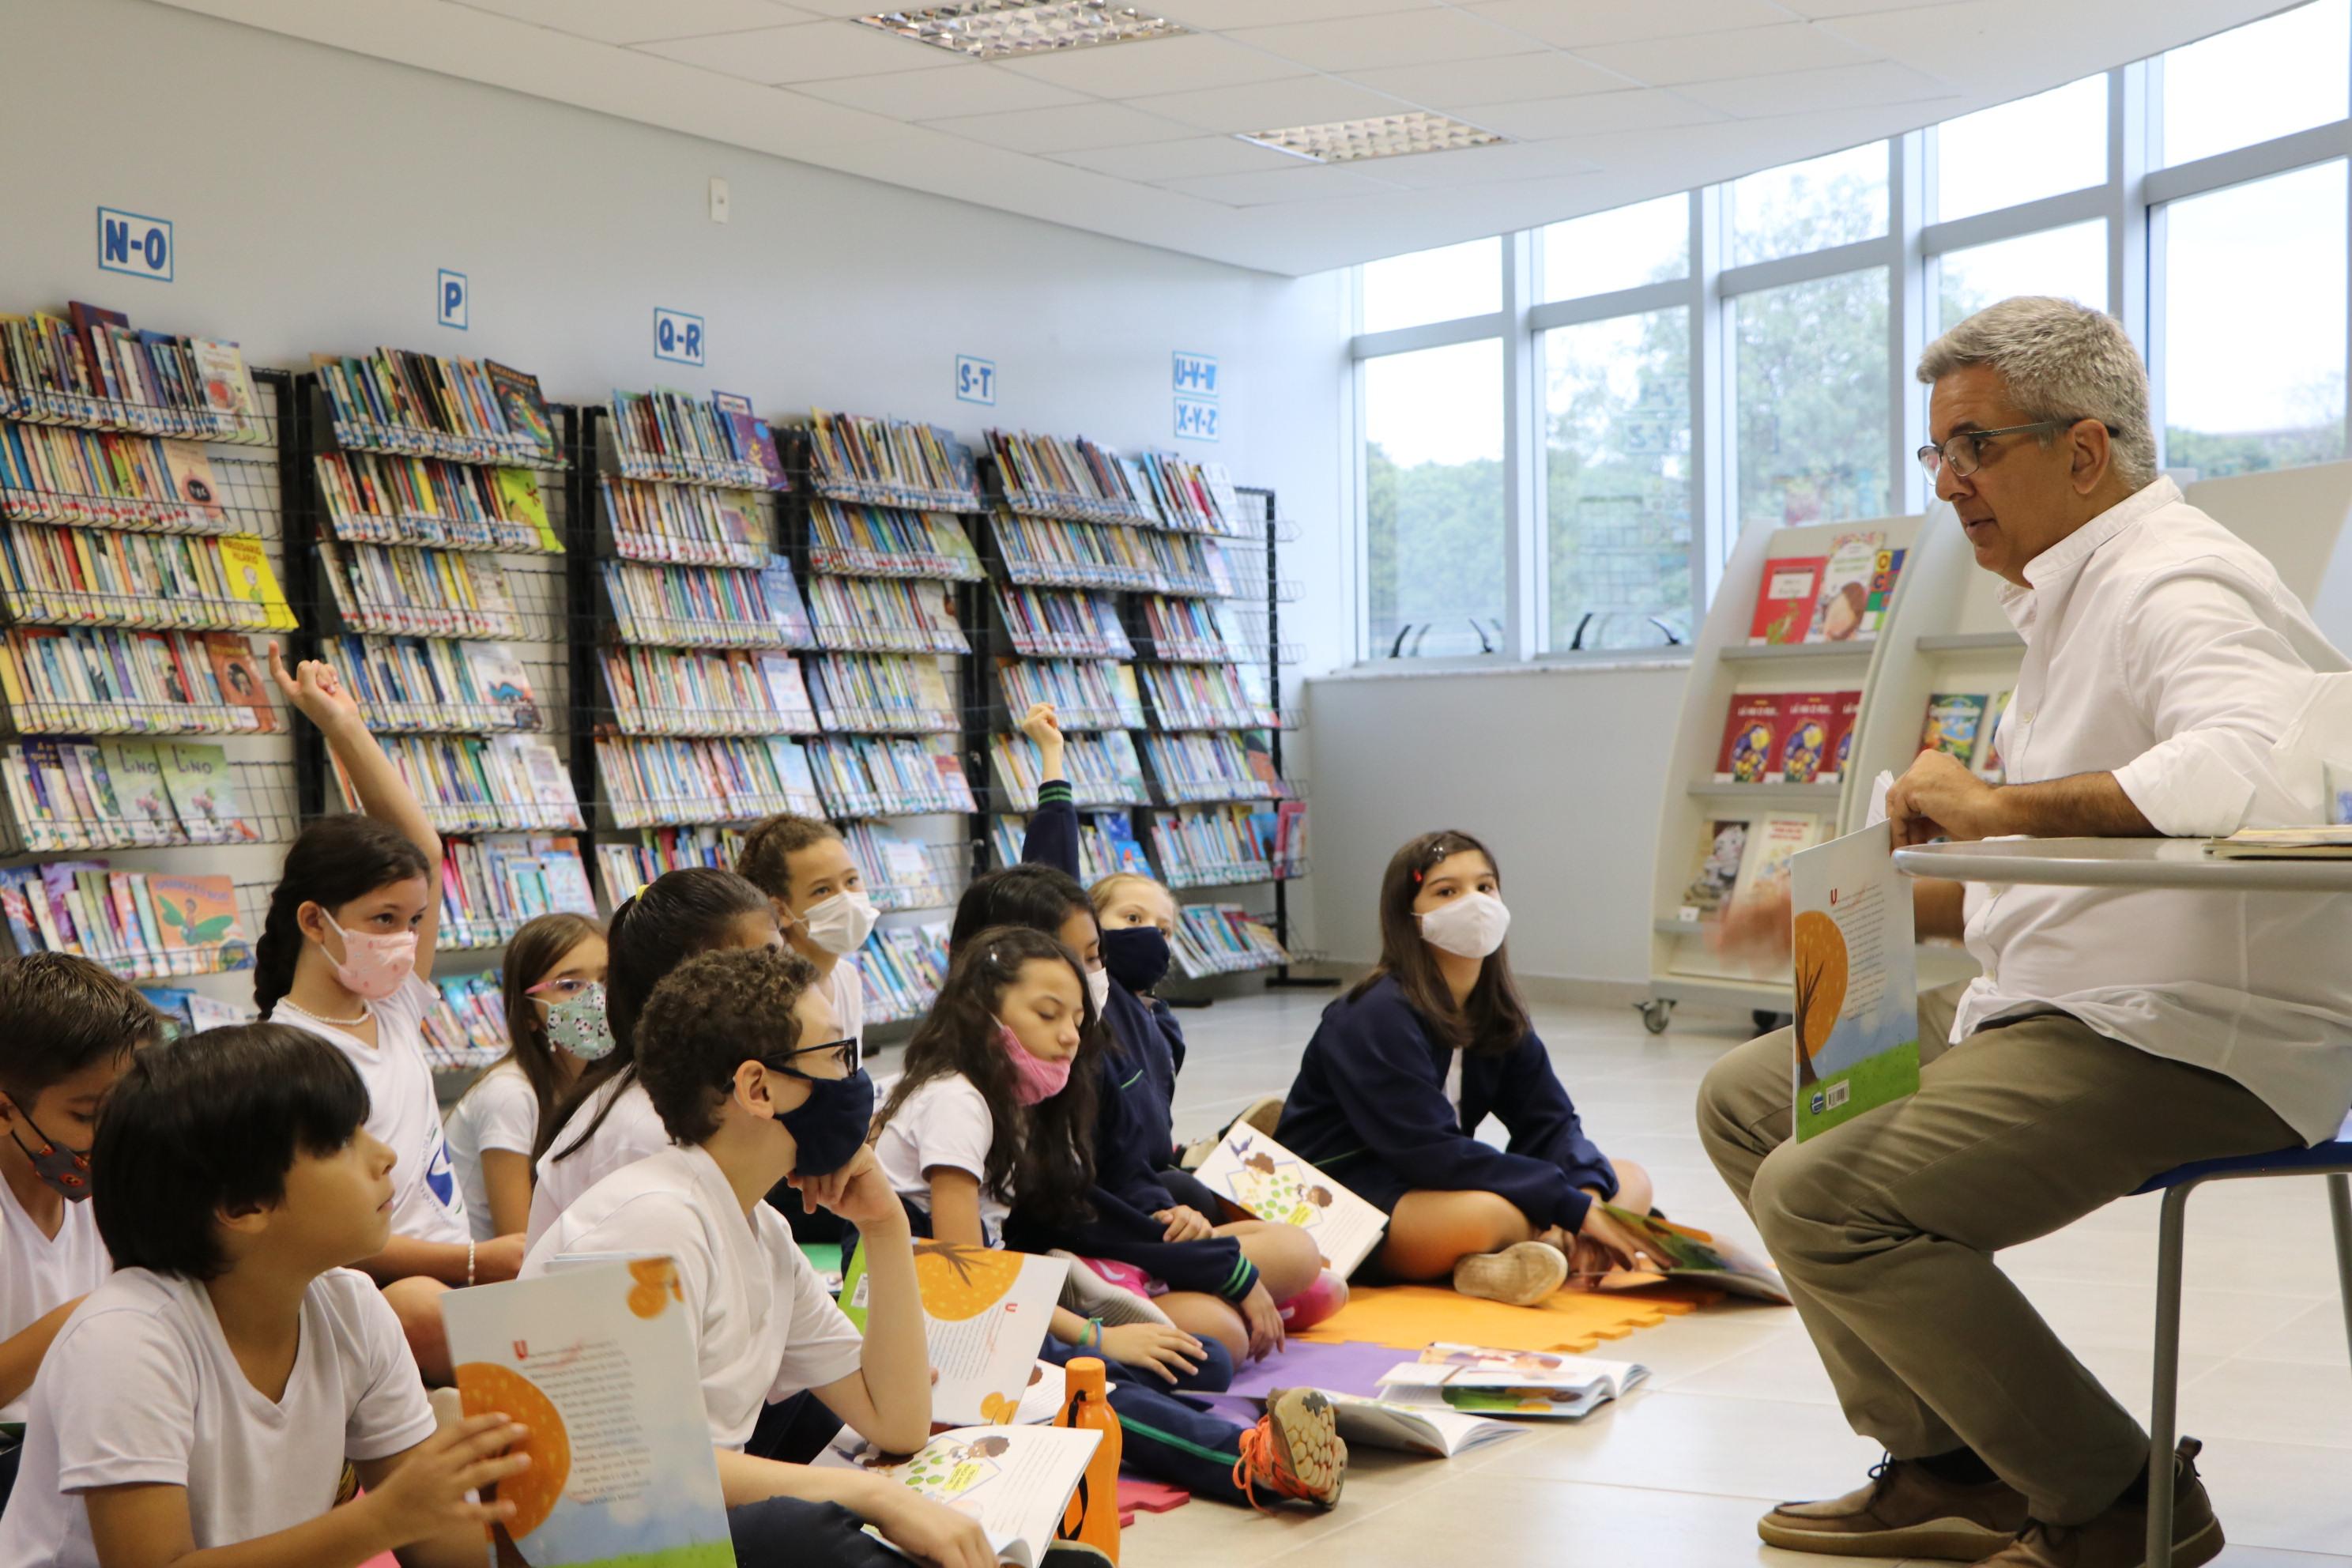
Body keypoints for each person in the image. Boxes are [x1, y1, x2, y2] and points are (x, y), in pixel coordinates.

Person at [1698, 296, 2352, 1568]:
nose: (1947, 484)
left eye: (1974, 448)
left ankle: (2115, 1500)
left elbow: (2250, 772)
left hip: (2191, 1036)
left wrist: (1990, 805)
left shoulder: (2180, 574)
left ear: (2085, 450)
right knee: (1748, 1103)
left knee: (1823, 1194)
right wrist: (1853, 904)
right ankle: (1952, 1467)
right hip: (2067, 999)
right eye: (1935, 453)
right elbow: (2042, 874)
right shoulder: (2065, 599)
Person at [522, 946, 994, 1567]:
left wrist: (886, 1229)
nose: (853, 1079)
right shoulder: (652, 1219)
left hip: (689, 1528)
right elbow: (644, 1480)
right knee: (809, 1531)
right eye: (835, 1055)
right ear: (758, 1087)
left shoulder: (760, 1229)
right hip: (629, 1545)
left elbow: (899, 1422)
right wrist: (872, 1497)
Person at [0, 1023, 535, 1568]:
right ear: (242, 1206)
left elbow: (440, 1547)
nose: (385, 1156)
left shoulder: (353, 1308)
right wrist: (380, 1518)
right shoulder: (126, 1341)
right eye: (341, 1142)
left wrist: (527, 1517)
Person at [870, 926, 1346, 1512]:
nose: (1070, 1037)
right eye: (1049, 1015)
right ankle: (1251, 1462)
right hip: (941, 1332)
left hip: (981, 1311)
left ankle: (1214, 1425)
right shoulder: (957, 1101)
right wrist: (1097, 1334)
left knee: (1203, 1359)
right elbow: (970, 1287)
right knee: (1089, 1391)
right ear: (982, 1010)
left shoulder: (1007, 1103)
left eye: (1077, 1018)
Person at [260, 649, 521, 1379]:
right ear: (315, 922)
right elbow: (341, 1241)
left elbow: (425, 851)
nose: (404, 941)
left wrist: (341, 722)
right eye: (382, 920)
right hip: (385, 1290)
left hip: (454, 1278)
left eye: (412, 920)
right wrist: (478, 1258)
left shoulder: (393, 1004)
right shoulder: (288, 1052)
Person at [948, 862, 1316, 1367]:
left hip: (1111, 1243)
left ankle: (1196, 1288)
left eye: (1094, 957)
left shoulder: (1078, 1044)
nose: (1090, 979)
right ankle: (1199, 1294)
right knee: (1222, 1339)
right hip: (1060, 1262)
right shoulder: (974, 1095)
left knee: (1298, 1255)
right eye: (1072, 960)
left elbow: (1126, 1166)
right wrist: (1224, 1272)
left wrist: (1171, 1217)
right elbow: (988, 1263)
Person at [1276, 830, 1656, 1306]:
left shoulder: (1491, 1009)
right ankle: (1540, 1246)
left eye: (1485, 887)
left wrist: (1586, 1197)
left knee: (1627, 1179)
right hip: (1342, 1198)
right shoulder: (1374, 1014)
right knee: (1492, 1215)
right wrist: (1566, 1206)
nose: (1474, 904)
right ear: (1408, 915)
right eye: (1446, 891)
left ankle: (1521, 1257)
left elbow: (1551, 1122)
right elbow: (1429, 1152)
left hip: (1430, 1190)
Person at [527, 868, 777, 1247]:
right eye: (757, 969)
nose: (785, 986)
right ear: (687, 992)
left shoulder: (699, 1097)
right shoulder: (646, 1132)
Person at [0, 956, 161, 1506]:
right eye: (90, 1116)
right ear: (3, 1111)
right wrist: (99, 1314)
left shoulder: (124, 1182)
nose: (113, 1135)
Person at [443, 912, 606, 1242]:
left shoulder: (598, 1087)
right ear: (529, 1011)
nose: (597, 998)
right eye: (570, 985)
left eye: (608, 979)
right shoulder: (509, 1095)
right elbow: (517, 1245)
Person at [736, 812, 876, 1053]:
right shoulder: (770, 998)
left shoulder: (847, 976)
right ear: (781, 911)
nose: (847, 899)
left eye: (851, 880)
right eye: (822, 890)